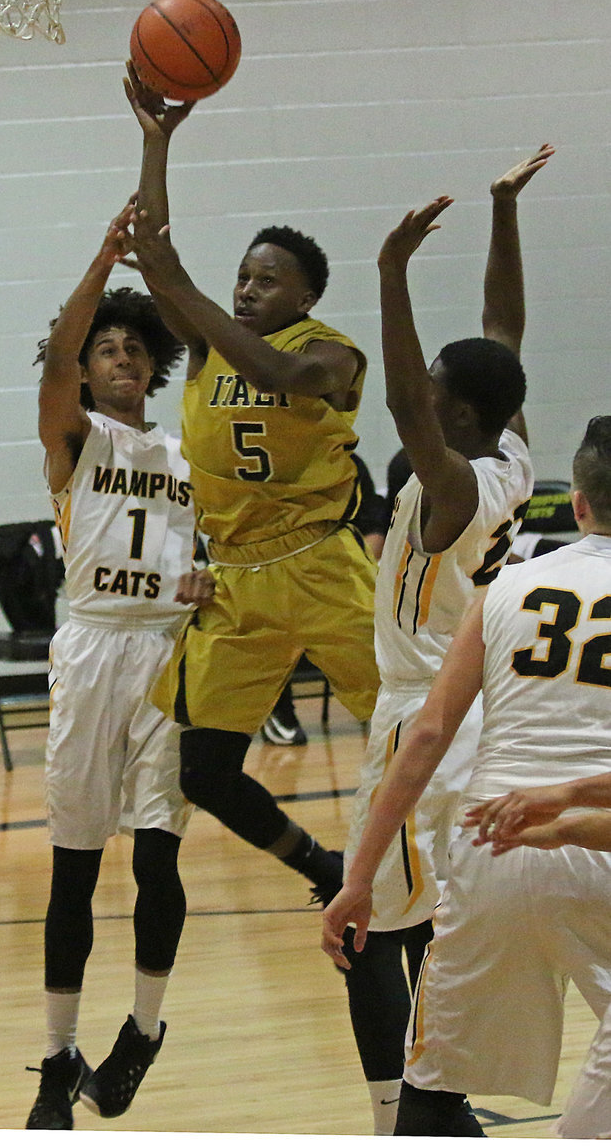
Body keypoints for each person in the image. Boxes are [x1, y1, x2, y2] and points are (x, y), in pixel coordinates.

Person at [123, 63, 380, 906]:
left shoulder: (331, 352)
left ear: (306, 294)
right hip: (235, 579)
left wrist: (183, 288)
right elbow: (153, 251)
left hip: (322, 566)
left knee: (411, 728)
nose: (245, 288)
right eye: (241, 276)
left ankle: (442, 870)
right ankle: (323, 869)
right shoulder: (206, 344)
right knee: (203, 770)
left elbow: (279, 374)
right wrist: (155, 143)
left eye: (266, 280)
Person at [336, 146, 551, 1133]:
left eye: (434, 384)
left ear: (454, 413)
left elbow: (399, 401)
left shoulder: (455, 485)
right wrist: (504, 212)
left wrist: (390, 273)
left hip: (420, 714)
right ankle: (441, 1100)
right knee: (429, 915)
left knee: (369, 922)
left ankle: (405, 1112)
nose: (420, 388)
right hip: (474, 714)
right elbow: (504, 331)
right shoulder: (512, 452)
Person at [322, 414, 611, 1137]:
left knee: (427, 1089)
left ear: (578, 504)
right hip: (599, 842)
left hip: (494, 846)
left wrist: (358, 879)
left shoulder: (508, 585)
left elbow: (425, 735)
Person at [25, 201, 213, 1131]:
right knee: (74, 867)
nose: (121, 356)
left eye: (135, 346)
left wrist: (213, 581)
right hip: (94, 647)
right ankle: (58, 1054)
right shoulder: (75, 438)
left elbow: (218, 548)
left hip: (169, 657)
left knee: (157, 856)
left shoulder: (187, 452)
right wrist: (102, 262)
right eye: (106, 348)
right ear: (87, 368)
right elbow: (57, 359)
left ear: (153, 364)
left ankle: (141, 1030)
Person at [262, 452, 388, 748]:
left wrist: (347, 570)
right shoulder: (269, 467)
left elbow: (374, 532)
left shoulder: (348, 462)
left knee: (376, 618)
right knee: (268, 609)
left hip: (340, 576)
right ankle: (277, 709)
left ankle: (388, 710)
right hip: (278, 576)